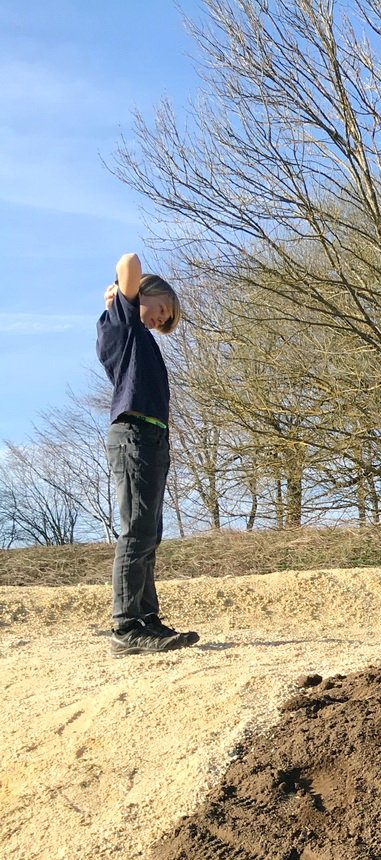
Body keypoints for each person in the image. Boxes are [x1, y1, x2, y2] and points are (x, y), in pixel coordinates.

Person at [96, 253, 198, 655]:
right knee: (136, 530)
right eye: (160, 310)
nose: (159, 320)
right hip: (133, 434)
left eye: (165, 318)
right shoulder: (120, 323)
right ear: (145, 293)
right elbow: (128, 260)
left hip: (153, 437)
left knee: (149, 534)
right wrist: (127, 292)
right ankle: (125, 626)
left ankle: (146, 618)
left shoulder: (140, 334)